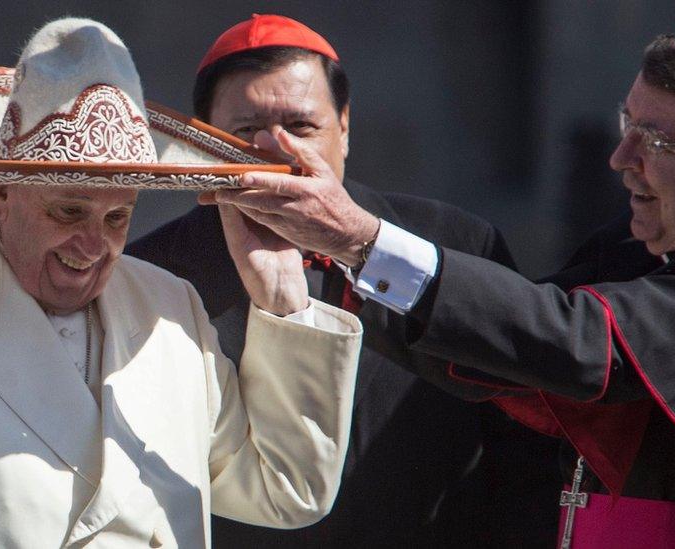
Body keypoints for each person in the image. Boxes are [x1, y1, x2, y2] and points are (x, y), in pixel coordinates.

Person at [0, 18, 364, 548]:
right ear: (0, 192)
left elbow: (287, 493)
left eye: (117, 218)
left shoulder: (169, 305)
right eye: (67, 212)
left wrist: (285, 303)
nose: (92, 245)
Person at [203, 19, 675, 548]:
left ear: (345, 126)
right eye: (626, 123)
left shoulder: (457, 236)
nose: (621, 158)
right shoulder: (631, 253)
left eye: (656, 140)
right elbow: (507, 349)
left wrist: (360, 242)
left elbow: (574, 345)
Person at [128, 14, 561, 547]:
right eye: (243, 132)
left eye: (302, 127)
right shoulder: (151, 275)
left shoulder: (455, 245)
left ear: (346, 128)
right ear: (202, 140)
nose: (276, 150)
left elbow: (525, 448)